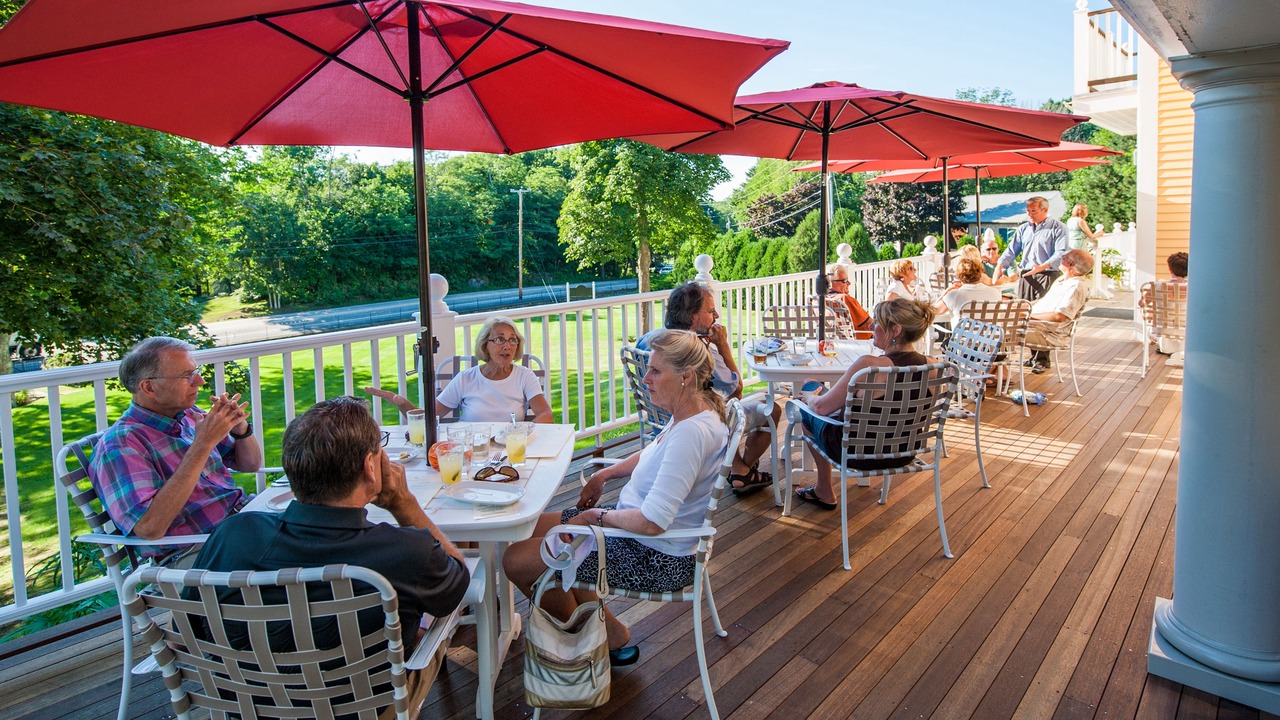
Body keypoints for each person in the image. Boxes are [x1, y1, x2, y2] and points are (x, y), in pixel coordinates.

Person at [190, 396, 469, 717]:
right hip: (363, 708)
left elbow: (188, 625)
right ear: (370, 466)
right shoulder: (405, 551)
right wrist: (404, 504)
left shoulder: (233, 533)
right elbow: (456, 586)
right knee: (430, 628)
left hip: (252, 705)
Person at [503, 329, 729, 666]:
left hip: (656, 556)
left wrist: (594, 518)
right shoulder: (693, 410)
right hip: (631, 527)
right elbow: (653, 455)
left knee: (515, 561)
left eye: (655, 371)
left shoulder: (691, 433)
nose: (645, 378)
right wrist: (605, 474)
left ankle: (580, 640)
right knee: (528, 527)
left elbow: (653, 522)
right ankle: (606, 635)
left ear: (687, 376)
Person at [90, 337, 262, 560]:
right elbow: (149, 527)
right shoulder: (121, 445)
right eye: (186, 376)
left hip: (240, 525)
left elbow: (249, 464)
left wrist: (241, 430)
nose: (199, 381)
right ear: (149, 387)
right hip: (199, 554)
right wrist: (202, 444)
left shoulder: (189, 416)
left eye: (195, 371)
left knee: (317, 527)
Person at [791, 299, 937, 510]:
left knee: (809, 403)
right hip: (903, 453)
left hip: (853, 453)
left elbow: (821, 408)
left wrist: (809, 397)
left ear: (895, 330)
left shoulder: (870, 366)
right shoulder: (933, 367)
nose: (871, 326)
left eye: (877, 322)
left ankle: (823, 489)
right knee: (824, 398)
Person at [637, 282, 781, 494]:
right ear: (694, 317)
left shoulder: (649, 340)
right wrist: (722, 345)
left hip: (661, 422)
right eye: (711, 311)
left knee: (717, 403)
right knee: (772, 409)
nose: (716, 317)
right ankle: (741, 470)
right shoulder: (699, 352)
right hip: (698, 428)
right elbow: (736, 390)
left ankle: (738, 465)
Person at [365, 315, 552, 423]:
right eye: (499, 339)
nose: (507, 345)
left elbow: (545, 415)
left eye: (513, 339)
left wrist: (521, 436)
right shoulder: (466, 378)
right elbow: (428, 418)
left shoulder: (524, 376)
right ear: (485, 344)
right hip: (471, 453)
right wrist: (402, 404)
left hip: (510, 452)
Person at [1024, 249, 1094, 373]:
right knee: (996, 325)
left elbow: (1059, 316)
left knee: (998, 332)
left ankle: (996, 373)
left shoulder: (1076, 287)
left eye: (1064, 257)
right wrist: (1021, 306)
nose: (1061, 258)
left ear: (1070, 264)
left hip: (1049, 334)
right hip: (1035, 325)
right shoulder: (1062, 280)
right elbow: (1043, 301)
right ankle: (995, 371)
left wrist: (1027, 316)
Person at [995, 196, 1069, 302]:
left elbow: (1061, 252)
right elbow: (1011, 251)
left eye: (1033, 211)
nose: (1029, 214)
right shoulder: (1023, 229)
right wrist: (1000, 266)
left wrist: (1041, 267)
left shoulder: (1058, 228)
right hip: (1026, 275)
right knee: (1022, 311)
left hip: (1047, 275)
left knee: (1043, 310)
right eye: (1028, 211)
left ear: (1045, 210)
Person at [934, 257, 1002, 326]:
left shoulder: (954, 295)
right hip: (991, 336)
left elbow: (934, 311)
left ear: (959, 276)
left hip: (965, 336)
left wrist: (947, 291)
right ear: (981, 274)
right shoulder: (995, 293)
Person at [826, 262, 873, 331]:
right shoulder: (844, 299)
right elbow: (870, 325)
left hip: (830, 339)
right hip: (858, 340)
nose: (849, 283)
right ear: (831, 283)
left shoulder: (818, 299)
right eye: (845, 281)